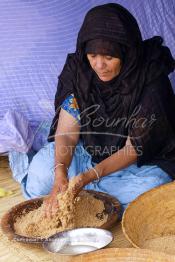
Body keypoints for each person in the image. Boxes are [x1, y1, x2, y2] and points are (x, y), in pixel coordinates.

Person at [21, 3, 175, 217]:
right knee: (40, 178)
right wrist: (60, 174)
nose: (99, 65)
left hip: (137, 161)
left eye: (109, 58)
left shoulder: (150, 77)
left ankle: (89, 197)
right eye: (92, 55)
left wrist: (87, 178)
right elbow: (66, 134)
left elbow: (134, 148)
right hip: (88, 152)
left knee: (153, 187)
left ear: (126, 52)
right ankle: (100, 200)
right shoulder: (79, 71)